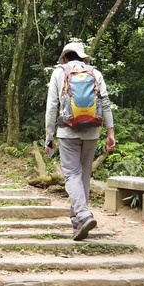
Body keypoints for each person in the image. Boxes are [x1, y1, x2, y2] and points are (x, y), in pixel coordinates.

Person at [44, 42, 116, 240]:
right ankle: (77, 221)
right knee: (84, 174)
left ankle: (83, 214)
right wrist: (110, 132)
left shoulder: (59, 73)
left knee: (71, 174)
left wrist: (49, 136)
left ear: (65, 57)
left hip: (68, 131)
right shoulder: (95, 73)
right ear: (82, 57)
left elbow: (52, 107)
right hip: (92, 130)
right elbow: (106, 103)